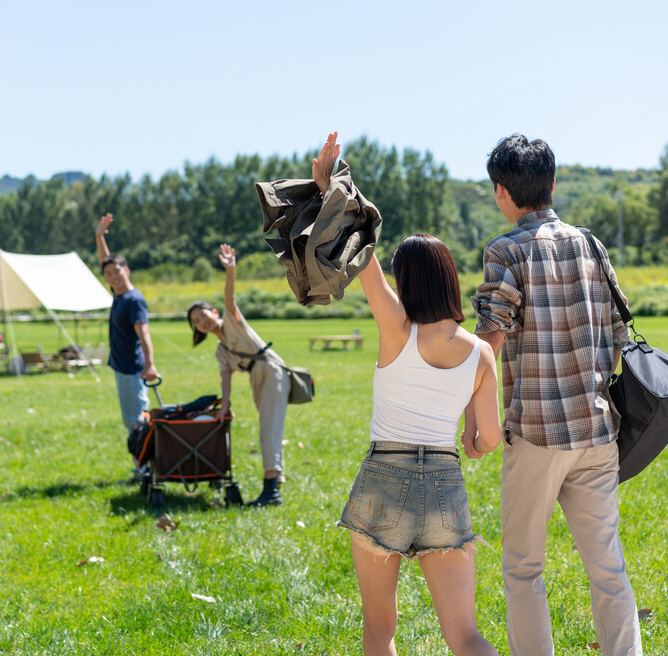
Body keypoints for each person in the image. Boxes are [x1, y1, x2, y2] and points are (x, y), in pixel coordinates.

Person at [313, 133, 501, 656]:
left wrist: (331, 185)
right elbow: (488, 440)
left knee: (380, 632)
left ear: (406, 281)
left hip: (383, 480)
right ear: (449, 280)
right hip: (444, 482)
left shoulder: (397, 328)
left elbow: (361, 253)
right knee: (464, 635)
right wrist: (470, 434)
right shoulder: (481, 353)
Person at [472, 135, 642, 655]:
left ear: (502, 192)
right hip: (596, 430)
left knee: (523, 568)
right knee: (607, 566)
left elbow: (488, 345)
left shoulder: (506, 251)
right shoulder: (591, 244)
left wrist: (475, 422)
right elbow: (617, 337)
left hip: (537, 435)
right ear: (553, 184)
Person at [186, 243, 291, 507]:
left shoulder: (232, 320)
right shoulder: (221, 351)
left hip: (271, 370)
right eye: (196, 322)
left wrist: (230, 271)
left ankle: (271, 491)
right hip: (258, 378)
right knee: (271, 428)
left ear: (214, 312)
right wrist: (224, 406)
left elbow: (230, 298)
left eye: (204, 315)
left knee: (268, 430)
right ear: (197, 329)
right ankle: (275, 482)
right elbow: (226, 379)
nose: (202, 321)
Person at [95, 213, 159, 476]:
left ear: (127, 270)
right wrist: (99, 236)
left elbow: (144, 334)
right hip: (123, 368)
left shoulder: (133, 300)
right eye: (108, 274)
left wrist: (151, 365)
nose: (112, 276)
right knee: (132, 420)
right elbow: (105, 261)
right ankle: (143, 468)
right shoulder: (119, 293)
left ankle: (144, 471)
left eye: (117, 271)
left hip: (134, 370)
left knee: (136, 421)